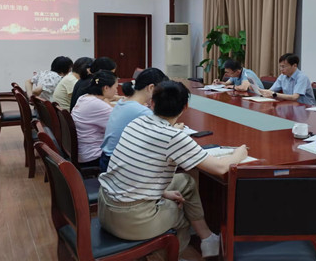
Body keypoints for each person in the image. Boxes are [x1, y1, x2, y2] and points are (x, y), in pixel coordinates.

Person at [98, 80, 248, 258]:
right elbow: (220, 167)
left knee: (186, 182)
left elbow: (132, 170)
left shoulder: (137, 122)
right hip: (131, 221)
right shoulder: (173, 137)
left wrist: (162, 192)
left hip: (105, 207)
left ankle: (207, 239)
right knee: (181, 214)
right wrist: (239, 153)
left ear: (152, 103)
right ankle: (170, 256)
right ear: (185, 107)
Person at [99, 67, 169, 172]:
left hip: (107, 159)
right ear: (151, 88)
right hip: (118, 164)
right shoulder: (142, 111)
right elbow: (165, 134)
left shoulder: (123, 102)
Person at [71, 70, 118, 168]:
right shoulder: (97, 104)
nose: (116, 91)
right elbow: (116, 129)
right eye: (115, 87)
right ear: (106, 88)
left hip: (81, 150)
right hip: (92, 155)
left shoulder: (83, 98)